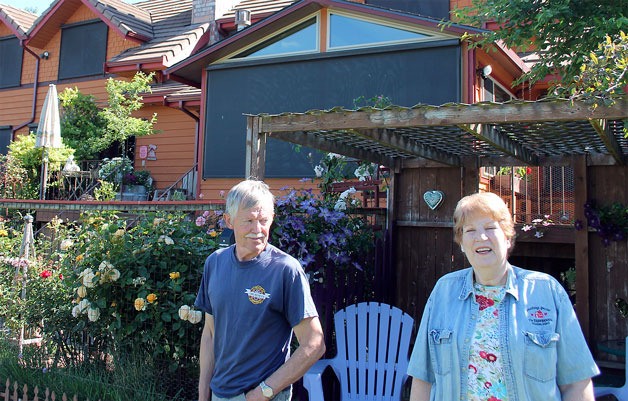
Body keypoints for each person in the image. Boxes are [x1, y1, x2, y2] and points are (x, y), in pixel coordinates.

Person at [407, 192, 599, 401]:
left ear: (507, 238)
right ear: (462, 243)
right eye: (470, 230)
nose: (481, 237)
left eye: (490, 228)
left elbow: (577, 383)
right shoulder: (443, 292)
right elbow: (423, 379)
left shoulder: (546, 291)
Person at [195, 179, 326, 401]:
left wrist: (264, 392)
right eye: (249, 220)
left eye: (264, 220)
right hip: (219, 394)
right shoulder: (215, 263)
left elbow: (314, 344)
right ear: (229, 221)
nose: (258, 230)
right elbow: (209, 333)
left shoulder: (285, 270)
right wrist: (203, 393)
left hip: (262, 396)